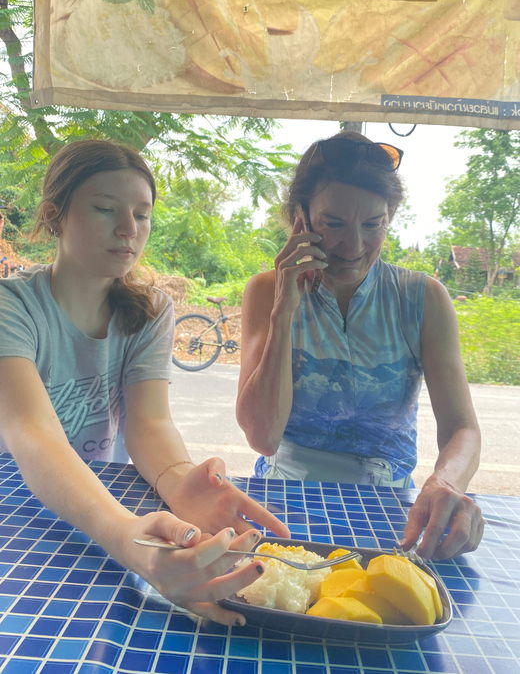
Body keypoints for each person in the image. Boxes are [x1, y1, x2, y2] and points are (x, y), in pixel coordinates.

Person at [0, 139, 289, 627]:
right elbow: (32, 433)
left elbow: (149, 424)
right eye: (105, 209)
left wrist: (181, 482)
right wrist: (127, 539)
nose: (128, 229)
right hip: (17, 506)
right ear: (54, 216)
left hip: (99, 504)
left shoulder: (151, 311)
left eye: (142, 214)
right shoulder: (13, 306)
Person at [236, 131, 483, 561]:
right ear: (301, 218)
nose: (353, 247)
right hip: (282, 497)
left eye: (372, 225)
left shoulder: (422, 298)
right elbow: (263, 436)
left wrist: (446, 482)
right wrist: (284, 309)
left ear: (390, 217)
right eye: (333, 224)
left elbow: (463, 428)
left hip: (387, 505)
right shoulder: (266, 290)